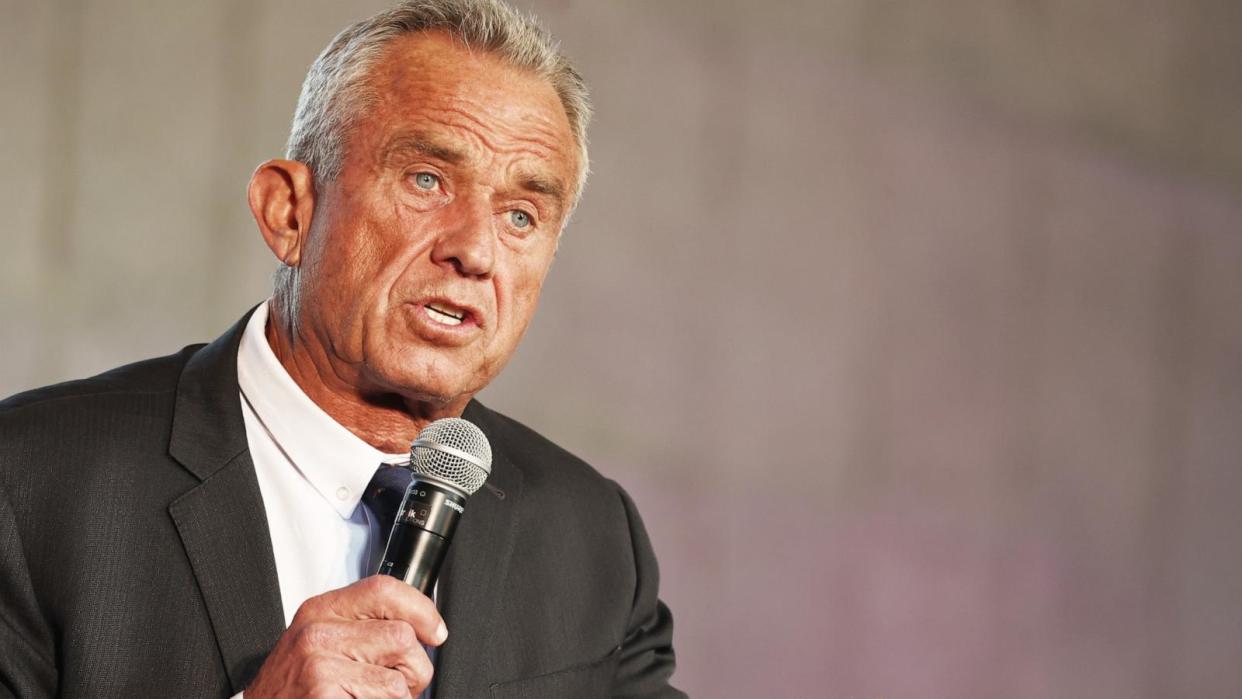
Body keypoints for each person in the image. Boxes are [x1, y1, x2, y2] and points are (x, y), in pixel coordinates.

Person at [0, 1, 684, 697]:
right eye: (426, 180)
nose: (475, 250)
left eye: (521, 215)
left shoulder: (594, 538)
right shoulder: (28, 483)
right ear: (289, 212)